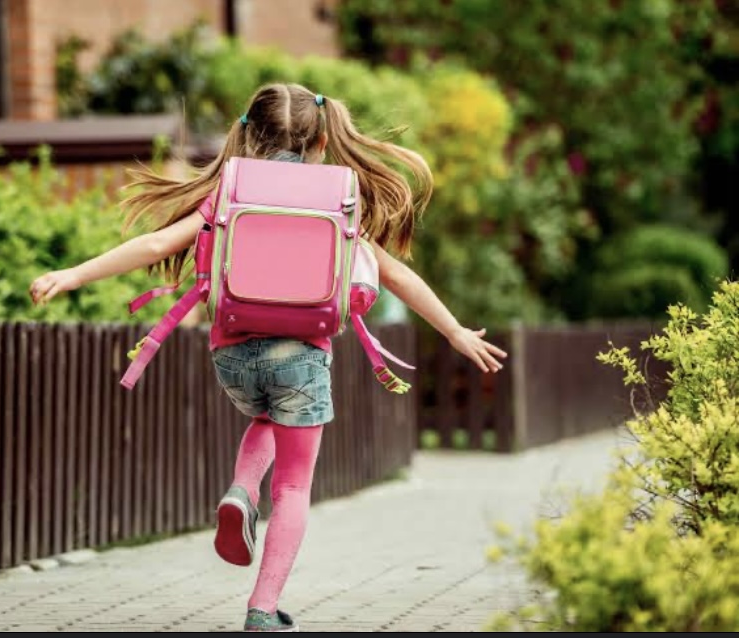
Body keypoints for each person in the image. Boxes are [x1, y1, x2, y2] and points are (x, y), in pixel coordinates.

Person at [29, 83, 508, 632]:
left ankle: (239, 490)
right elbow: (396, 275)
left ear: (250, 136)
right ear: (324, 140)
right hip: (302, 355)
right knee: (294, 487)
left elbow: (157, 246)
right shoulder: (339, 198)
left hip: (232, 352)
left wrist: (73, 274)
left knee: (264, 414)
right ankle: (262, 611)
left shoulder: (229, 195)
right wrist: (453, 331)